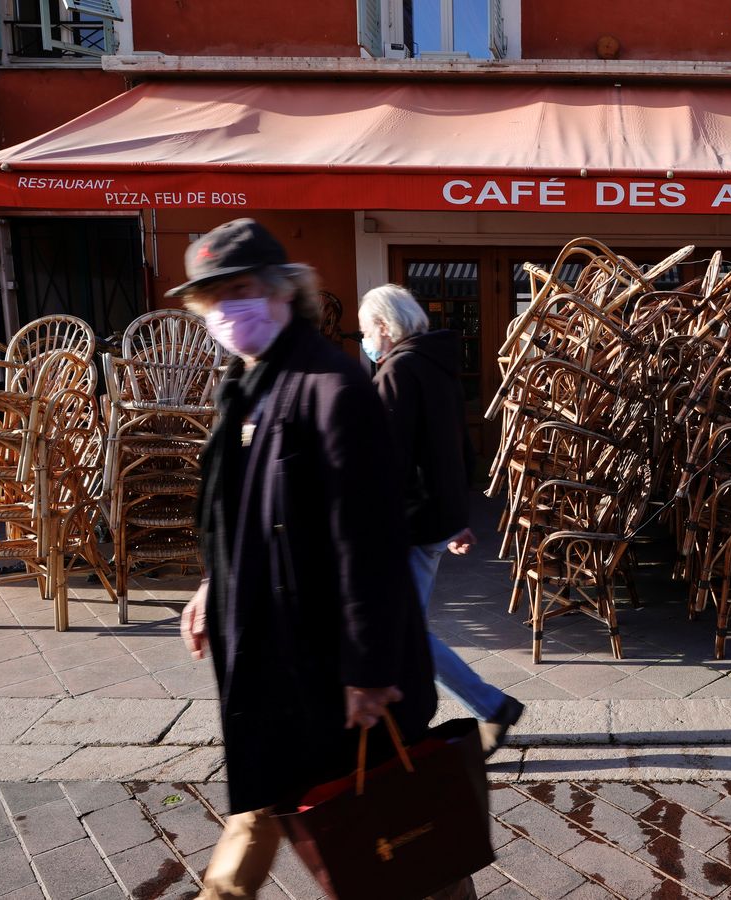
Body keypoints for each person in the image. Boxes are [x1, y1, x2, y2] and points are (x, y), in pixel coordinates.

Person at [174, 220, 443, 899]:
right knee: (269, 806)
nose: (226, 308)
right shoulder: (244, 382)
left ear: (281, 292)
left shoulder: (332, 387)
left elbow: (370, 542)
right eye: (213, 297)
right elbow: (235, 511)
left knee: (391, 837)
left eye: (240, 289)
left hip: (332, 671)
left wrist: (370, 671)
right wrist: (214, 585)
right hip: (274, 663)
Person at [359, 284, 525, 757]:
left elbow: (387, 461)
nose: (365, 339)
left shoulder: (398, 371)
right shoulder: (438, 369)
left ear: (385, 328)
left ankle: (490, 706)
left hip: (407, 526)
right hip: (431, 521)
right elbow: (455, 452)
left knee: (402, 632)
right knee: (403, 629)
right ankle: (486, 707)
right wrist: (455, 519)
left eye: (367, 329)